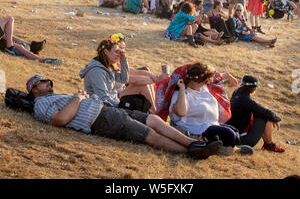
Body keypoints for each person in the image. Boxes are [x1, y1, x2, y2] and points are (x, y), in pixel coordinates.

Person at [25, 74, 223, 159]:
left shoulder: (53, 96)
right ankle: (190, 151)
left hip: (106, 110)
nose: (49, 84)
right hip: (100, 120)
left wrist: (81, 98)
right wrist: (77, 98)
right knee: (149, 134)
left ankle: (192, 143)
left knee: (154, 120)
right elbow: (60, 119)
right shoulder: (40, 104)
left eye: (49, 82)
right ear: (33, 90)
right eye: (43, 83)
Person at [168, 63, 253, 155]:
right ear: (199, 80)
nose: (208, 82)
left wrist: (228, 76)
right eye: (206, 80)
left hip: (208, 124)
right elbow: (181, 113)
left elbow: (218, 77)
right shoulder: (182, 93)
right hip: (194, 129)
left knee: (234, 131)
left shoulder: (202, 87)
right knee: (229, 133)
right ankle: (228, 150)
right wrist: (181, 90)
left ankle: (230, 147)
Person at [79, 34, 167, 114]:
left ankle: (154, 113)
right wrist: (120, 106)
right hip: (106, 106)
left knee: (145, 85)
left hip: (114, 99)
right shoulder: (97, 71)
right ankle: (155, 113)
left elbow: (124, 79)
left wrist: (123, 60)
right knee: (144, 86)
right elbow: (103, 97)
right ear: (106, 52)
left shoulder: (108, 66)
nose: (120, 54)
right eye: (117, 51)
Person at [226, 75, 285, 152]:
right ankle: (269, 145)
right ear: (254, 88)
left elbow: (258, 109)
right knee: (266, 117)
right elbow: (264, 112)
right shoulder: (246, 100)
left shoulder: (236, 94)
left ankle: (268, 144)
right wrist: (276, 118)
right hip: (242, 140)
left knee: (262, 114)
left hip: (234, 134)